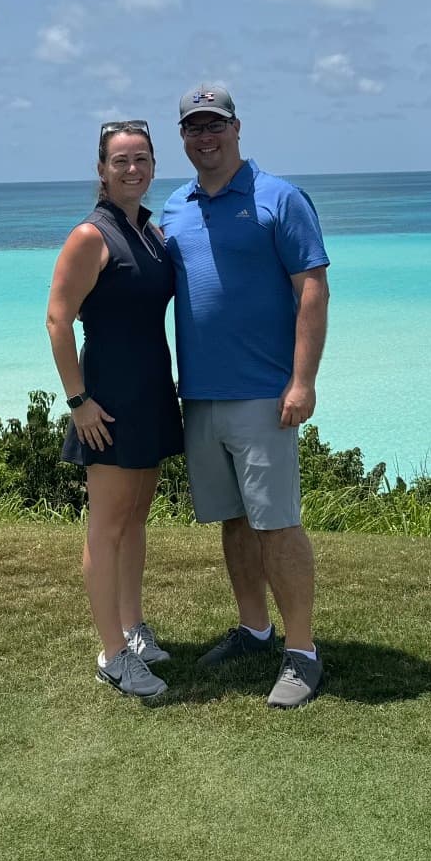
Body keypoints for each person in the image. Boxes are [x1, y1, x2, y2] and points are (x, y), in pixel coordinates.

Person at [160, 85, 330, 709]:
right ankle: (255, 630)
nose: (204, 137)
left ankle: (303, 652)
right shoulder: (175, 207)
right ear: (183, 137)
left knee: (277, 523)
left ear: (236, 128)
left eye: (214, 125)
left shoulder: (279, 198)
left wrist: (302, 380)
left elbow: (312, 289)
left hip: (265, 394)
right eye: (193, 128)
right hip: (200, 395)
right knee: (234, 521)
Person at [46, 120, 184, 699]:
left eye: (142, 159)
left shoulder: (150, 231)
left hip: (152, 391)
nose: (133, 169)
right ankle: (111, 654)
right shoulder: (90, 236)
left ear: (154, 166)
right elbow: (57, 320)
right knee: (106, 527)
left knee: (134, 520)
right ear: (101, 170)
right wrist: (78, 402)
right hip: (107, 399)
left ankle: (131, 629)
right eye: (120, 160)